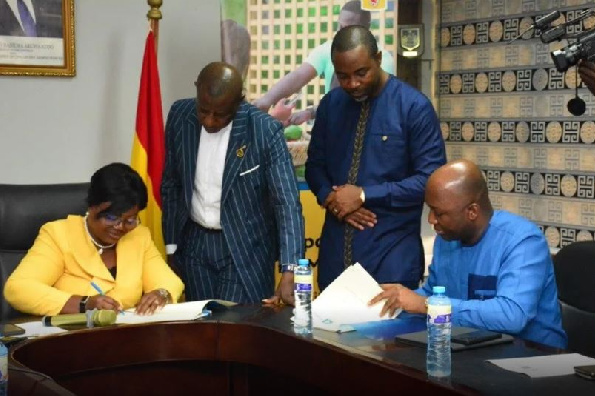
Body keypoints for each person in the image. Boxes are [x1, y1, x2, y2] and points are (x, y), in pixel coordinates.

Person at [305, 25, 446, 291]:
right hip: (334, 258)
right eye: (343, 76)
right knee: (326, 333)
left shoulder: (414, 107)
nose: (352, 84)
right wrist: (332, 198)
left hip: (391, 258)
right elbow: (315, 166)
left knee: (387, 333)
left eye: (361, 73)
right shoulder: (331, 105)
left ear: (379, 59)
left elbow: (430, 180)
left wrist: (363, 196)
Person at [369, 159, 567, 349]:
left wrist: (426, 305)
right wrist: (396, 300)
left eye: (439, 213)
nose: (431, 220)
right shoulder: (447, 240)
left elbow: (512, 316)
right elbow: (432, 294)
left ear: (472, 211)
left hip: (532, 357)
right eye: (429, 210)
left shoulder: (523, 242)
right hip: (471, 348)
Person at [161, 62, 304, 305]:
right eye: (203, 110)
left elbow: (286, 202)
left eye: (220, 115)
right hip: (195, 245)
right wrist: (172, 247)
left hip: (245, 248)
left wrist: (290, 268)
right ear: (197, 91)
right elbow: (171, 184)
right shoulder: (179, 115)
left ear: (239, 102)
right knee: (201, 329)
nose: (209, 121)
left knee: (237, 332)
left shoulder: (263, 130)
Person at [4, 163, 184, 317]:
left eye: (129, 220)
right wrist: (84, 304)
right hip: (71, 339)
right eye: (112, 218)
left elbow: (170, 282)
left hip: (126, 339)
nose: (120, 227)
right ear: (92, 207)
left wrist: (161, 293)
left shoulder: (138, 236)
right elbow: (19, 289)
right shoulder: (58, 234)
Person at [253, 0, 395, 126]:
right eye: (340, 26)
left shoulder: (383, 61)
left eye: (348, 29)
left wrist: (312, 112)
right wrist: (266, 100)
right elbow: (299, 75)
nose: (341, 33)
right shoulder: (328, 49)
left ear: (366, 28)